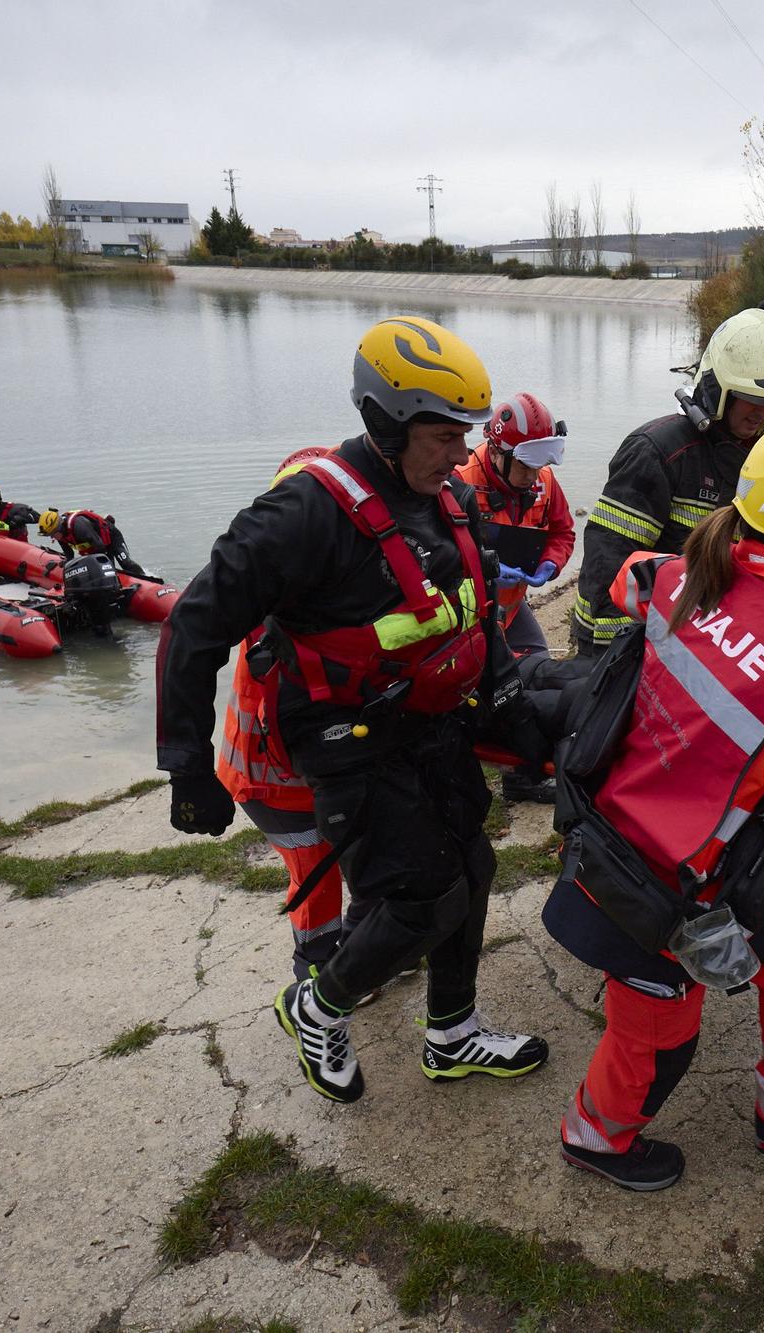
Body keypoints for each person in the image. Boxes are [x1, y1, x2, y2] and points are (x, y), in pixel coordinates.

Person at [156, 314, 549, 1104]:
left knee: (471, 864)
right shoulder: (303, 514)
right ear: (386, 422)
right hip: (343, 733)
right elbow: (192, 627)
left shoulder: (448, 497)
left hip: (429, 719)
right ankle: (318, 1004)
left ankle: (452, 1032)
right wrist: (187, 766)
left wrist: (505, 692)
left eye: (468, 435)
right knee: (420, 896)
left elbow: (475, 607)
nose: (464, 454)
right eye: (444, 436)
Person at [545, 421, 764, 1192]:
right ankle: (596, 1137)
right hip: (671, 891)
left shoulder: (685, 575)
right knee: (658, 1038)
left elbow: (627, 580)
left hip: (631, 835)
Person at [570, 305, 764, 657]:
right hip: (625, 634)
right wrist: (615, 657)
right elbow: (609, 560)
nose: (763, 413)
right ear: (720, 391)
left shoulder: (758, 457)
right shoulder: (658, 452)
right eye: (754, 399)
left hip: (692, 634)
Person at [216, 446, 351, 983]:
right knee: (317, 879)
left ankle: (360, 954)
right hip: (273, 783)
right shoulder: (278, 607)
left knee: (342, 863)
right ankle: (316, 972)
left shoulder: (298, 584)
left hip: (288, 774)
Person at [455, 391, 577, 804]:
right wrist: (482, 571)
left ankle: (521, 776)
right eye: (526, 465)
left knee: (534, 670)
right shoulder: (459, 483)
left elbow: (562, 532)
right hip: (472, 609)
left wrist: (551, 565)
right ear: (497, 450)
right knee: (490, 687)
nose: (534, 474)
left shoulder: (542, 481)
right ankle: (465, 764)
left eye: (540, 464)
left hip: (513, 600)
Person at [40, 506, 150, 579]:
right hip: (97, 546)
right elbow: (70, 555)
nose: (52, 537)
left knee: (126, 563)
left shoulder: (78, 526)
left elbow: (100, 547)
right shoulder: (60, 534)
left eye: (53, 534)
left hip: (111, 538)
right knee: (105, 571)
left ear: (59, 527)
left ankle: (146, 579)